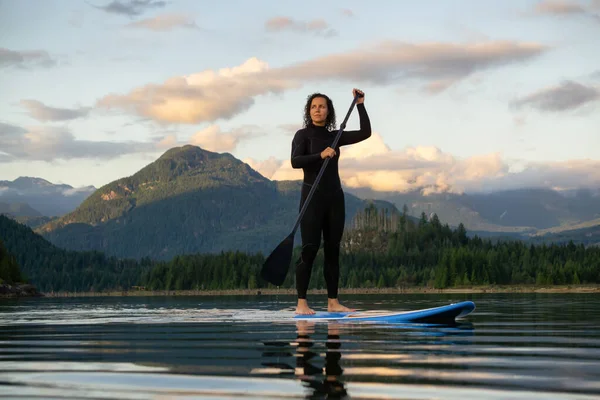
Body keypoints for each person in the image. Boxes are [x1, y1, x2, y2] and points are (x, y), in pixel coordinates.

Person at [290, 88, 371, 315]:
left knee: (333, 251)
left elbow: (366, 132)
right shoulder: (302, 135)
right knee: (309, 250)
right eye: (314, 106)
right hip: (312, 199)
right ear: (309, 111)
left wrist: (360, 105)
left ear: (329, 111)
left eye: (322, 106)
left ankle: (333, 302)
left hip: (335, 199)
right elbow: (295, 161)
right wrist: (320, 155)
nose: (318, 110)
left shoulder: (336, 136)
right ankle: (302, 304)